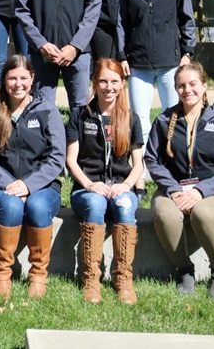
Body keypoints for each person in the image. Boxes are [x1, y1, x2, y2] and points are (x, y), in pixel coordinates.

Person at [144, 62, 214, 300]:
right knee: (165, 213)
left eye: (192, 84)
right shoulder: (163, 121)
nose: (187, 90)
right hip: (173, 190)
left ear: (204, 86)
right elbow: (152, 160)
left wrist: (200, 191)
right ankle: (184, 270)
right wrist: (174, 189)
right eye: (181, 86)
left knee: (203, 213)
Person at [0, 55, 65, 300]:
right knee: (11, 206)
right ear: (3, 81)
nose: (18, 84)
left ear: (32, 79)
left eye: (23, 78)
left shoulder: (47, 110)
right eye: (12, 78)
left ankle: (38, 274)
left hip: (43, 186)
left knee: (37, 207)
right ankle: (2, 273)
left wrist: (28, 185)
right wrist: (10, 185)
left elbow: (57, 158)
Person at [117, 0, 196, 189]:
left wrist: (187, 53)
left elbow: (187, 21)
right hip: (138, 64)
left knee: (173, 118)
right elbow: (122, 25)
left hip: (170, 65)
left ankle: (173, 172)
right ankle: (138, 176)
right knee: (139, 119)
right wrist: (121, 55)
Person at [66, 59, 144, 304]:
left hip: (120, 186)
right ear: (94, 83)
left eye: (114, 81)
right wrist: (89, 185)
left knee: (124, 205)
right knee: (96, 204)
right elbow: (71, 161)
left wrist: (126, 185)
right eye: (103, 81)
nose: (108, 87)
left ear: (122, 84)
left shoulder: (131, 118)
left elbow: (139, 164)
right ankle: (91, 278)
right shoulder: (81, 115)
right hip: (87, 190)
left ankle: (123, 278)